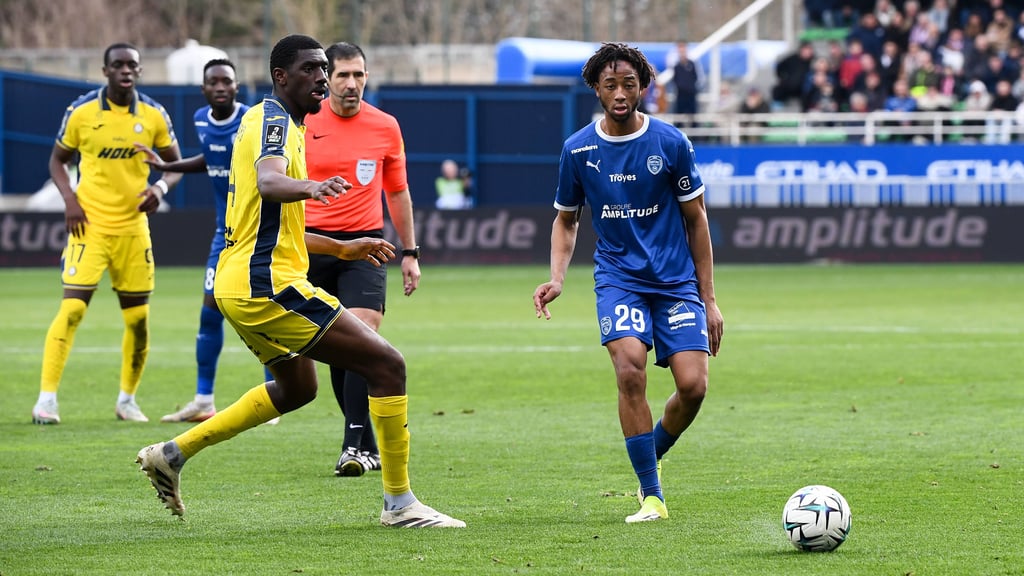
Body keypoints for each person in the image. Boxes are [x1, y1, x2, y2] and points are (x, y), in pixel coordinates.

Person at [136, 34, 464, 528]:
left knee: (296, 389)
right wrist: (312, 186)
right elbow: (270, 182)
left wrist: (342, 247)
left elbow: (274, 225)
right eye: (312, 69)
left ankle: (172, 453)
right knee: (387, 365)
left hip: (238, 285)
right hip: (265, 285)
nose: (324, 78)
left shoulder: (279, 124)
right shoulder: (271, 119)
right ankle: (399, 505)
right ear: (281, 77)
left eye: (326, 69)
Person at [532, 43, 723, 524]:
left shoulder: (671, 143)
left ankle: (648, 450)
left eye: (629, 84)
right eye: (610, 84)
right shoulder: (578, 149)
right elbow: (566, 220)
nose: (620, 92)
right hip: (619, 280)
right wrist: (557, 277)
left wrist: (711, 300)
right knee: (630, 370)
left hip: (676, 282)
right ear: (596, 87)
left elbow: (696, 221)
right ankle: (651, 494)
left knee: (694, 387)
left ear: (644, 87)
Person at [31, 42, 182, 424]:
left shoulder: (153, 115)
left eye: (132, 65)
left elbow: (175, 164)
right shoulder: (81, 112)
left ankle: (127, 400)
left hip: (133, 229)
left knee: (138, 321)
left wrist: (160, 189)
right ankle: (46, 400)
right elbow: (57, 160)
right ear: (105, 71)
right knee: (72, 309)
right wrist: (70, 199)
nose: (126, 71)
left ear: (140, 71)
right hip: (90, 226)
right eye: (118, 65)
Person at [303, 41, 421, 478]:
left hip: (366, 245)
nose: (352, 84)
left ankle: (352, 444)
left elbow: (397, 190)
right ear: (327, 79)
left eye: (359, 75)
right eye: (343, 76)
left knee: (364, 331)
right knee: (337, 350)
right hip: (311, 245)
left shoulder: (385, 126)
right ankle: (365, 439)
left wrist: (410, 253)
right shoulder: (304, 121)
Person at [134, 59, 275, 423]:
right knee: (209, 313)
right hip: (222, 236)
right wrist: (168, 167)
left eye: (226, 81)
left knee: (264, 313)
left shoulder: (253, 120)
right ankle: (203, 400)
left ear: (237, 86)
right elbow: (210, 159)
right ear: (204, 89)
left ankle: (276, 394)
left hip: (256, 235)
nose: (220, 87)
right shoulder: (200, 120)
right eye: (213, 82)